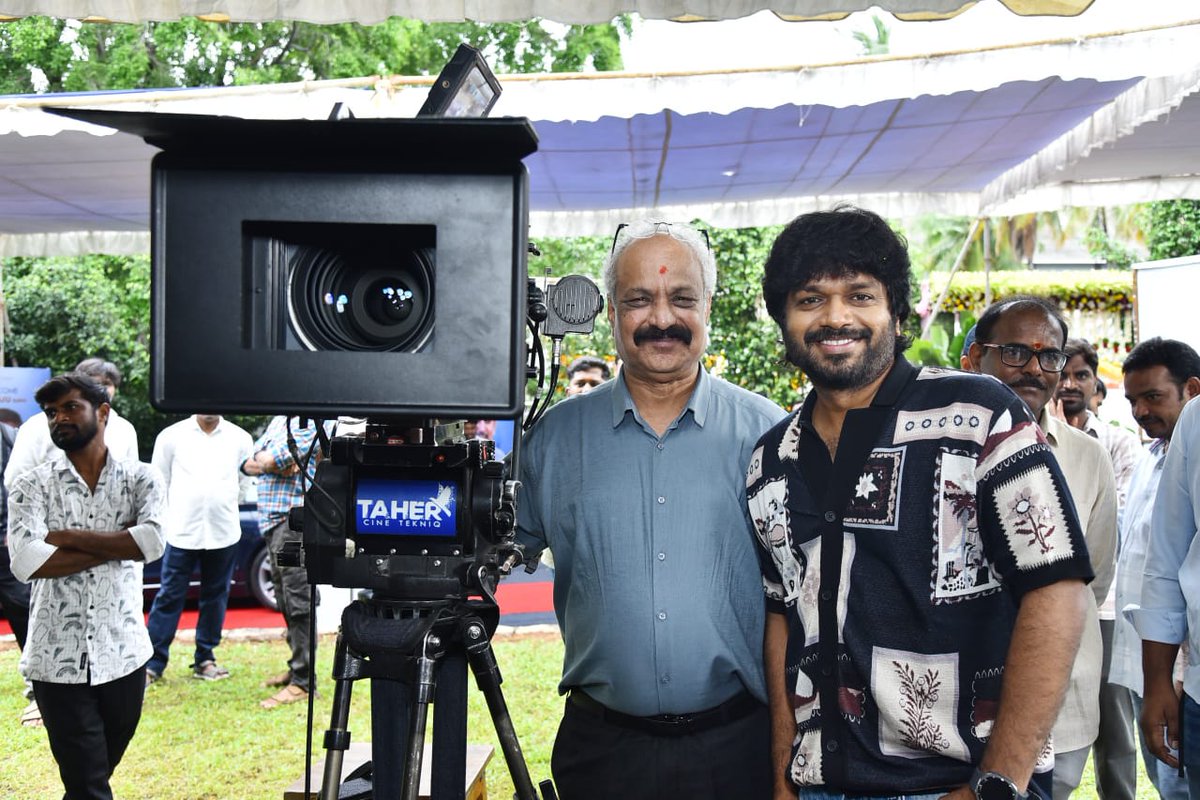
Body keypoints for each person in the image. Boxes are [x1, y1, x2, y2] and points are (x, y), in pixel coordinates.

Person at [751, 208, 1092, 800]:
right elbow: (783, 617)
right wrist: (785, 776)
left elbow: (1057, 589)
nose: (836, 317)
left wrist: (998, 781)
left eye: (860, 294)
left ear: (896, 312)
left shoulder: (980, 417)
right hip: (823, 785)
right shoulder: (770, 460)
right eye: (810, 299)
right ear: (784, 319)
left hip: (958, 783)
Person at [516, 220, 785, 800]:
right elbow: (490, 559)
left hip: (738, 748)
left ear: (707, 307)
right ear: (611, 310)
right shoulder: (555, 440)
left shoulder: (771, 434)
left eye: (681, 298)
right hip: (603, 752)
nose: (661, 318)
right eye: (639, 299)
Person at [965, 297, 1117, 800]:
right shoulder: (936, 448)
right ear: (972, 360)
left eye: (1048, 356)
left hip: (1062, 703)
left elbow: (1092, 578)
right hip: (955, 707)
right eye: (1013, 352)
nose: (1033, 368)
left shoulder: (1088, 456)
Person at [6, 373, 164, 800]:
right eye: (51, 412)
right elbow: (25, 563)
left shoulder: (141, 480)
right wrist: (119, 544)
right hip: (55, 659)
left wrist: (66, 537)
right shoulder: (31, 485)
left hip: (124, 654)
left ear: (104, 411)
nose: (59, 418)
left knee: (92, 776)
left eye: (70, 407)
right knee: (89, 782)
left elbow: (151, 543)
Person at [1110, 337, 1200, 800]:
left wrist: (1179, 672)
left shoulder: (1186, 458)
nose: (1141, 412)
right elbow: (1151, 564)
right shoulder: (1149, 458)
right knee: (1166, 784)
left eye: (1153, 397)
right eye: (1132, 400)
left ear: (1192, 389)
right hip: (1145, 662)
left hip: (1185, 670)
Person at [1054, 337, 1143, 800]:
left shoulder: (1115, 445)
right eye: (1062, 373)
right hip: (1044, 610)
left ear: (1097, 387)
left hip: (1101, 608)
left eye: (1081, 375)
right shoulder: (1027, 438)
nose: (1069, 384)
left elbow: (1113, 526)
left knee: (1113, 723)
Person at [144, 414, 254, 684]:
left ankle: (205, 658)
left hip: (223, 530)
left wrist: (225, 505)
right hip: (182, 530)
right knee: (170, 594)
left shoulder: (240, 438)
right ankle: (152, 664)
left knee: (216, 594)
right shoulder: (171, 436)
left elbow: (244, 483)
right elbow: (159, 482)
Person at [240, 415, 332, 709]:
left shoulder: (313, 421)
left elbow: (273, 460)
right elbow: (249, 462)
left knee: (298, 599)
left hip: (293, 521)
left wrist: (270, 462)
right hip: (272, 521)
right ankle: (297, 668)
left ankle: (304, 682)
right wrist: (268, 462)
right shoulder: (281, 419)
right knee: (283, 596)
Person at [4, 358, 139, 489]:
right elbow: (16, 481)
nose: (101, 389)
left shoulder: (124, 429)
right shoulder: (36, 426)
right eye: (94, 383)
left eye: (107, 384)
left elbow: (132, 482)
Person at [0, 417, 37, 726]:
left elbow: (23, 485)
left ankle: (39, 690)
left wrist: (11, 530)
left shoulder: (14, 438)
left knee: (26, 614)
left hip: (5, 546)